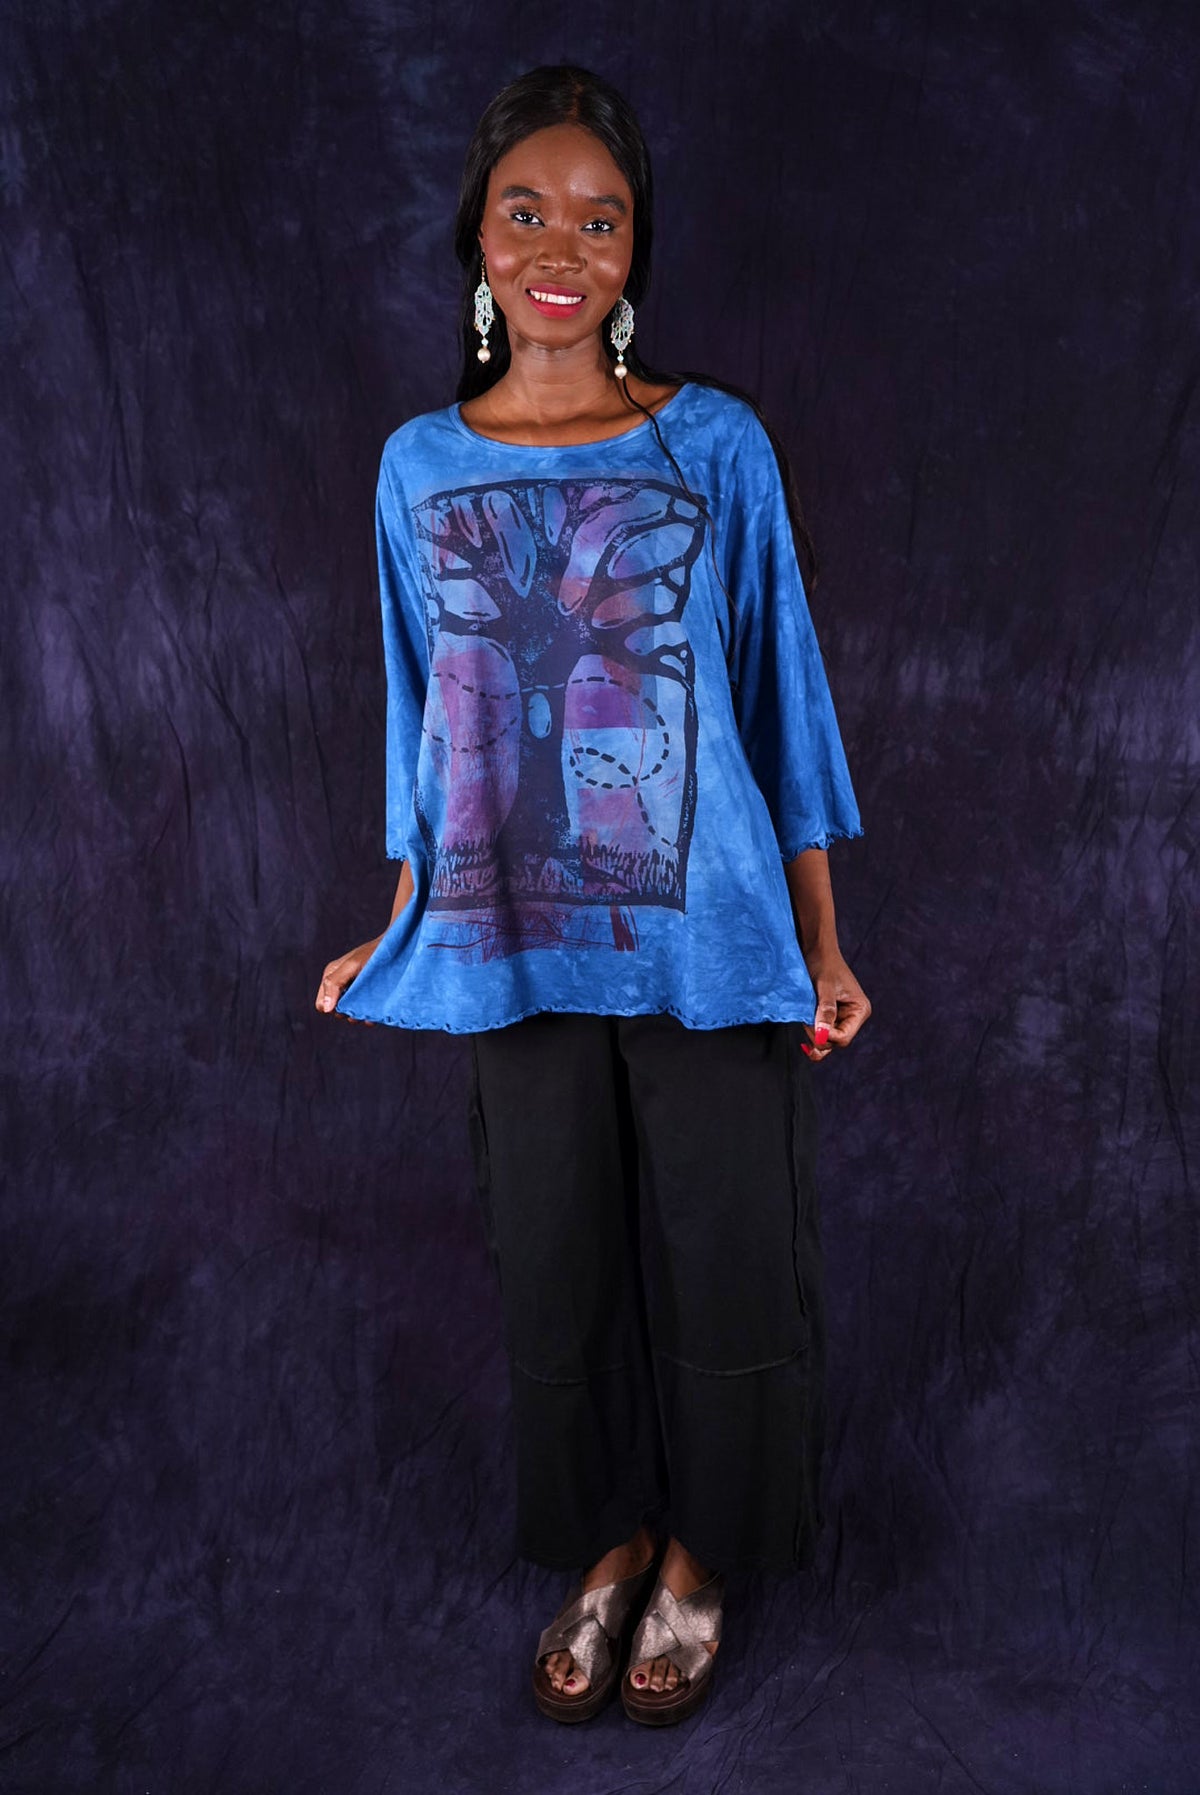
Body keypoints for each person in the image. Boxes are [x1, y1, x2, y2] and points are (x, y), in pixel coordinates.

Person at [316, 64, 871, 1728]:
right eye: (527, 211)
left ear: (635, 252)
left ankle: (703, 1559)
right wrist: (406, 917)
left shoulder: (715, 445)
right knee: (554, 1263)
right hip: (507, 940)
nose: (562, 247)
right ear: (479, 240)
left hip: (712, 936)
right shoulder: (419, 468)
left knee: (729, 1253)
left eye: (600, 218)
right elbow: (425, 719)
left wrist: (825, 941)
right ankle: (611, 1540)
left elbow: (780, 699)